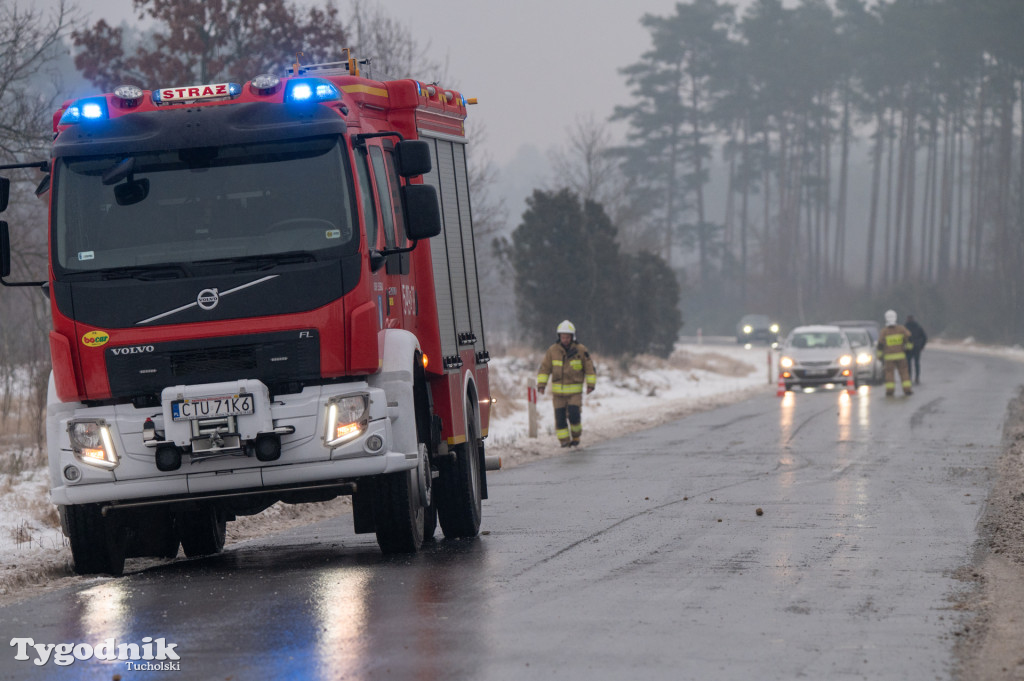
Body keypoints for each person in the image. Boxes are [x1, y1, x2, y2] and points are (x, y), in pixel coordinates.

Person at [536, 320, 597, 447]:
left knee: (574, 415)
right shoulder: (552, 351)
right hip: (558, 394)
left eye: (567, 337)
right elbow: (545, 368)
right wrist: (541, 384)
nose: (565, 339)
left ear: (572, 337)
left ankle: (576, 437)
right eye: (563, 337)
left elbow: (589, 368)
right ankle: (564, 442)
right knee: (560, 418)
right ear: (559, 337)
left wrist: (591, 385)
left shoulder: (580, 350)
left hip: (575, 392)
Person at [877, 309, 913, 397]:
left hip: (889, 358)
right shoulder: (901, 329)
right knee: (904, 373)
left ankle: (890, 391)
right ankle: (907, 390)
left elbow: (880, 345)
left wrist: (879, 356)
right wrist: (908, 349)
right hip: (901, 356)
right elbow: (909, 339)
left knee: (889, 374)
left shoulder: (884, 331)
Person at [904, 314, 927, 384]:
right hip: (917, 348)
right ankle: (917, 377)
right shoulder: (918, 327)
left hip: (908, 349)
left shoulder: (905, 327)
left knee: (908, 364)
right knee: (916, 363)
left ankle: (909, 377)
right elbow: (924, 337)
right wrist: (922, 346)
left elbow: (902, 337)